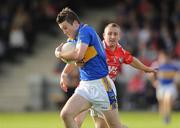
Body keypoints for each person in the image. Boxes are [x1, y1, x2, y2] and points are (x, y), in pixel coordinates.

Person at [65, 23, 157, 128]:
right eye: (109, 34)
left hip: (105, 92)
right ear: (104, 35)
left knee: (102, 126)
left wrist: (146, 68)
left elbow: (132, 60)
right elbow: (76, 58)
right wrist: (65, 73)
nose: (112, 37)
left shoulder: (120, 51)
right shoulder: (95, 47)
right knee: (76, 120)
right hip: (88, 87)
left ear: (119, 36)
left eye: (115, 34)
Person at [55, 7, 123, 128]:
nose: (64, 31)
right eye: (62, 29)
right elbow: (75, 59)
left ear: (75, 23)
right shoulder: (73, 39)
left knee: (113, 126)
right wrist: (64, 74)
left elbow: (78, 55)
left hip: (102, 86)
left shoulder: (85, 31)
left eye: (65, 27)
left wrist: (59, 54)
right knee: (66, 114)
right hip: (86, 85)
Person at [150, 49, 179, 125]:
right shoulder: (157, 65)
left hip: (170, 86)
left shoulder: (173, 66)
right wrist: (154, 82)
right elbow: (151, 74)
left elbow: (178, 75)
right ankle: (165, 116)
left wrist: (177, 83)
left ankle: (167, 117)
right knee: (162, 104)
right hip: (161, 86)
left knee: (167, 98)